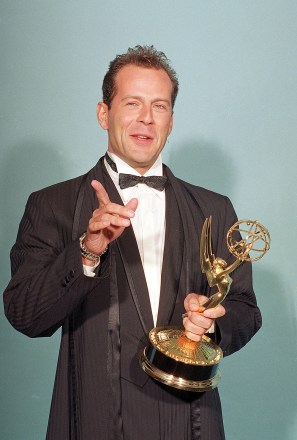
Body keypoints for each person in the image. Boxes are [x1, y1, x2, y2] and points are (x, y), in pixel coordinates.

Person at [3, 45, 261, 440]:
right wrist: (88, 249)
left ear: (171, 121)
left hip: (192, 424)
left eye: (159, 106)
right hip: (91, 421)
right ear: (104, 113)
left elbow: (246, 310)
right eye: (132, 103)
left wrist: (211, 324)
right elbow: (24, 315)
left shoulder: (215, 208)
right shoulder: (50, 204)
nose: (146, 119)